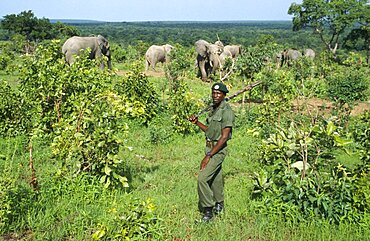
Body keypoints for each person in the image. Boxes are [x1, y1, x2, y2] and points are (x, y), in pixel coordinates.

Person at [188, 82, 235, 223]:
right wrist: (197, 123)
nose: (215, 95)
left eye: (218, 93)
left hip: (218, 150)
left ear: (224, 95)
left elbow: (224, 137)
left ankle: (208, 211)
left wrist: (209, 156)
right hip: (210, 146)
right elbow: (211, 130)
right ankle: (219, 205)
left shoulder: (227, 112)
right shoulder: (214, 109)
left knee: (202, 178)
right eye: (213, 93)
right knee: (216, 178)